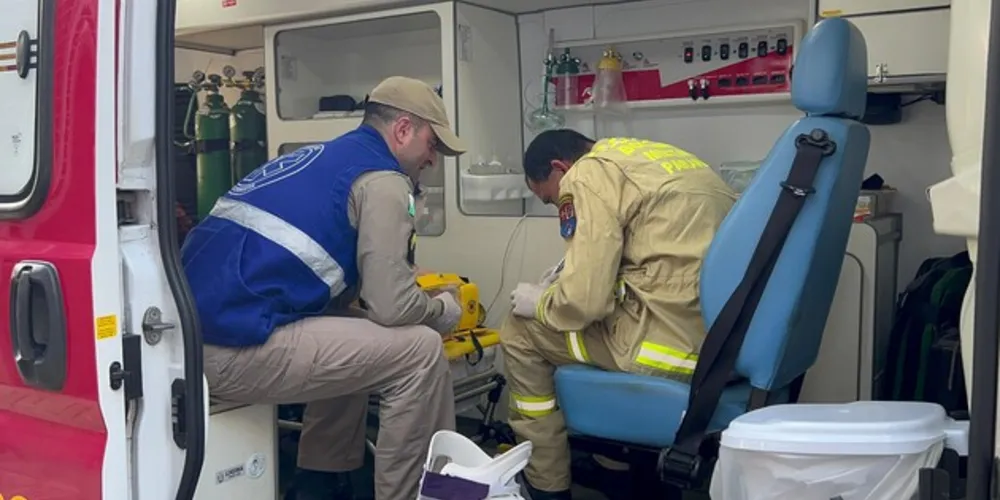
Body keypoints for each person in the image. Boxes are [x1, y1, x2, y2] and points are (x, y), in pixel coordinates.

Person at [181, 76, 466, 500]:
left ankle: (320, 483)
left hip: (188, 341)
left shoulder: (319, 158)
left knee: (360, 331)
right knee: (419, 351)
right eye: (432, 144)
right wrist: (443, 310)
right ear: (404, 130)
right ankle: (410, 495)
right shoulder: (383, 180)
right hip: (228, 352)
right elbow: (393, 307)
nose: (432, 159)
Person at [500, 129, 738, 499]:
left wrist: (544, 301)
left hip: (662, 349)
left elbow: (585, 304)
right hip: (720, 348)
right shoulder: (665, 159)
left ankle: (547, 485)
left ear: (560, 168)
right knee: (589, 322)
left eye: (550, 198)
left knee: (520, 331)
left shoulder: (586, 174)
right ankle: (613, 464)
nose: (558, 205)